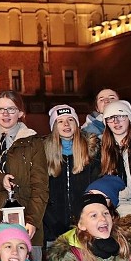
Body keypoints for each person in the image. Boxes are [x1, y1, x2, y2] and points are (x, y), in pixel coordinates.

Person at [0, 91, 48, 261]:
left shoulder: (34, 142)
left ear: (21, 113)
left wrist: (32, 221)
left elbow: (40, 186)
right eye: (1, 109)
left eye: (11, 109)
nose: (5, 114)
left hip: (25, 219)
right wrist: (0, 180)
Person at [43, 105, 100, 247]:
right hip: (53, 229)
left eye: (70, 120)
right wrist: (51, 221)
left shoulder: (91, 151)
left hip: (85, 228)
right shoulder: (43, 152)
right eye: (60, 121)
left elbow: (96, 190)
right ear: (54, 126)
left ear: (77, 123)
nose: (66, 124)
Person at [98, 100, 131, 219]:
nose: (116, 121)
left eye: (121, 116)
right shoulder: (99, 151)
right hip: (115, 214)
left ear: (129, 118)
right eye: (110, 118)